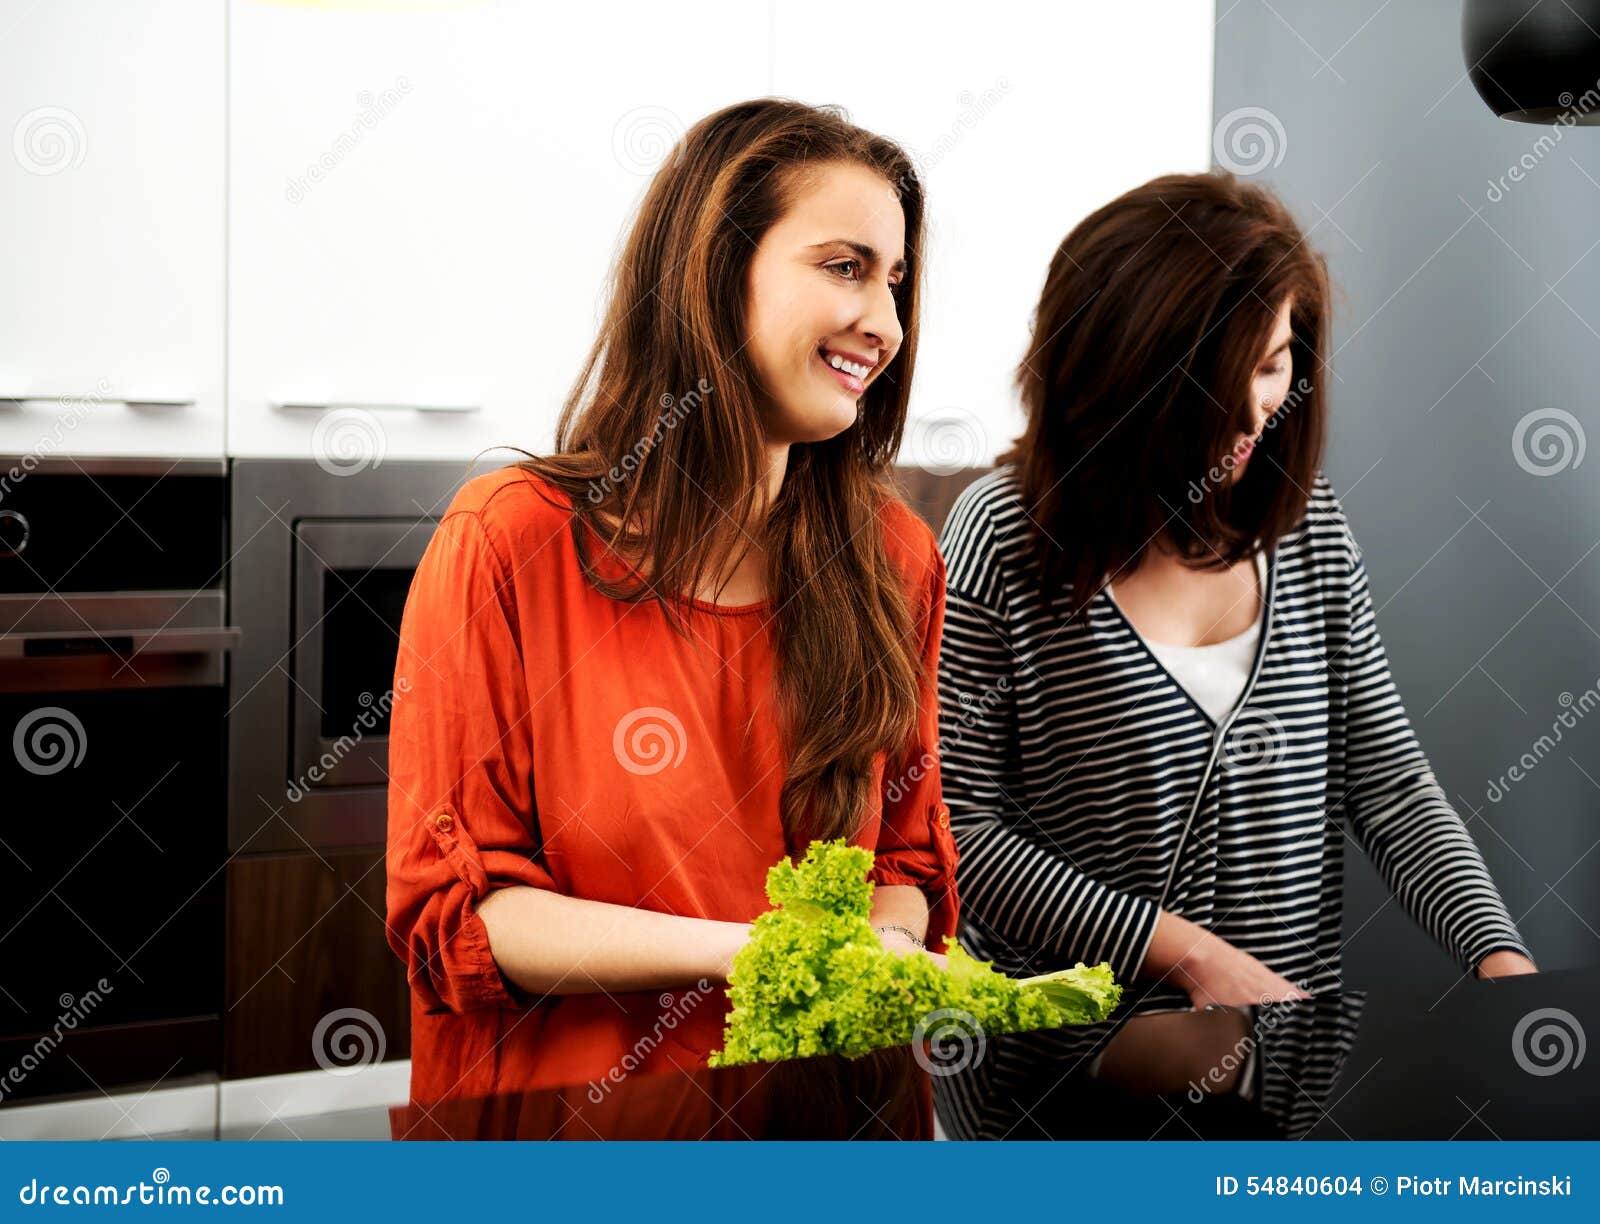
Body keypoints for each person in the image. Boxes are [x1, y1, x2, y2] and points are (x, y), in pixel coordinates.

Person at [932, 171, 1536, 1139]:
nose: (1256, 413)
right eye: (1220, 381)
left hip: (1269, 1092)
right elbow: (958, 823)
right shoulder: (999, 536)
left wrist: (1497, 961)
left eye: (1275, 365)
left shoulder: (1311, 529)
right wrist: (1171, 948)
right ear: (1117, 375)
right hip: (1051, 1089)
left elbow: (1386, 782)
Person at [385, 99, 957, 1106]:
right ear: (712, 272)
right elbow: (467, 912)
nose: (885, 322)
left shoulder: (893, 559)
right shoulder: (509, 541)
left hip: (820, 1137)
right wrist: (760, 952)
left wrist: (885, 944)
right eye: (844, 266)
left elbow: (904, 858)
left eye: (896, 281)